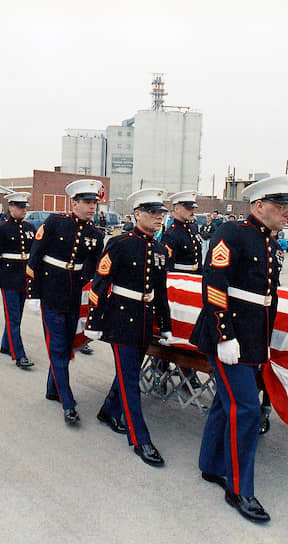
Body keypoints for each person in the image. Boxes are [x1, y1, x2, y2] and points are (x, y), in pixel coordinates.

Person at [190, 175, 288, 523]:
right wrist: (224, 336)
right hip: (228, 336)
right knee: (248, 409)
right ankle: (239, 488)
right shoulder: (232, 234)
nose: (287, 214)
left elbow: (268, 295)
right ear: (258, 206)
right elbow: (214, 285)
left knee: (227, 404)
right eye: (280, 207)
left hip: (252, 337)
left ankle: (210, 465)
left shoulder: (270, 241)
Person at [86, 188, 174, 466]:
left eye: (161, 213)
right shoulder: (120, 243)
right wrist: (93, 321)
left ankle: (108, 412)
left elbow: (161, 292)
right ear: (137, 214)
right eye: (153, 212)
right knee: (130, 380)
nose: (159, 217)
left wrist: (167, 326)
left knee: (129, 371)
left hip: (145, 319)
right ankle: (140, 439)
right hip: (121, 319)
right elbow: (100, 282)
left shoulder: (160, 250)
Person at [27, 179, 105, 425]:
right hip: (51, 292)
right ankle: (68, 402)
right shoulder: (55, 223)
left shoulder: (95, 234)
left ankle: (53, 389)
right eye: (87, 203)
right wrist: (32, 293)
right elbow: (35, 258)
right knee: (58, 346)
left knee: (67, 345)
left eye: (94, 203)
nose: (92, 207)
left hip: (74, 297)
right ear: (74, 203)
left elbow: (93, 271)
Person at [160, 190, 205, 388]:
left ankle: (187, 371)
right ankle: (163, 367)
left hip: (194, 282)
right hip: (178, 287)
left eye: (192, 208)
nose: (191, 211)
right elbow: (167, 267)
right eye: (188, 208)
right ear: (176, 209)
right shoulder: (171, 234)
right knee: (176, 329)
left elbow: (198, 259)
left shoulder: (192, 229)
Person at [0, 192, 35, 369]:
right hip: (8, 278)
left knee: (17, 316)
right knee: (13, 316)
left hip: (23, 278)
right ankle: (19, 355)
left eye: (25, 207)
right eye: (20, 207)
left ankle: (6, 345)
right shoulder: (2, 228)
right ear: (11, 207)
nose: (24, 210)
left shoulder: (30, 228)